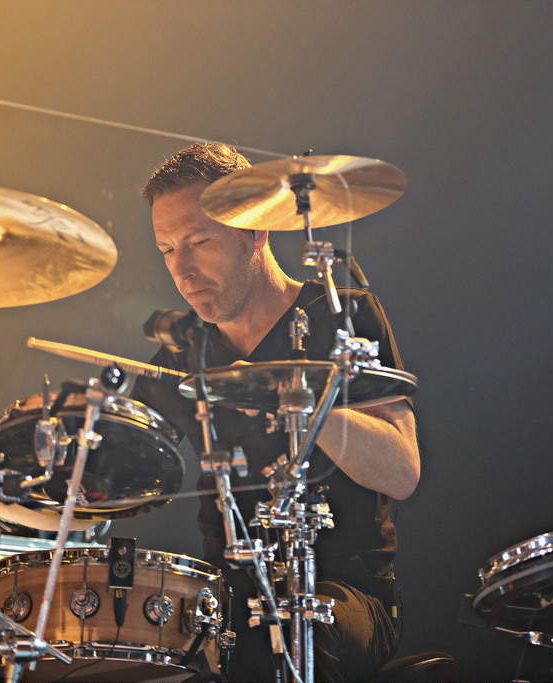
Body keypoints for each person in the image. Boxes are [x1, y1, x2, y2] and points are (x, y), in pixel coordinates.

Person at [130, 142, 420, 682]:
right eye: (167, 249)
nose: (182, 269)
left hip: (345, 595)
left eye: (200, 241)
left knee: (289, 631)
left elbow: (402, 472)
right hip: (226, 603)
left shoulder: (343, 315)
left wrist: (297, 398)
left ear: (255, 230)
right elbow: (111, 466)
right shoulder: (180, 358)